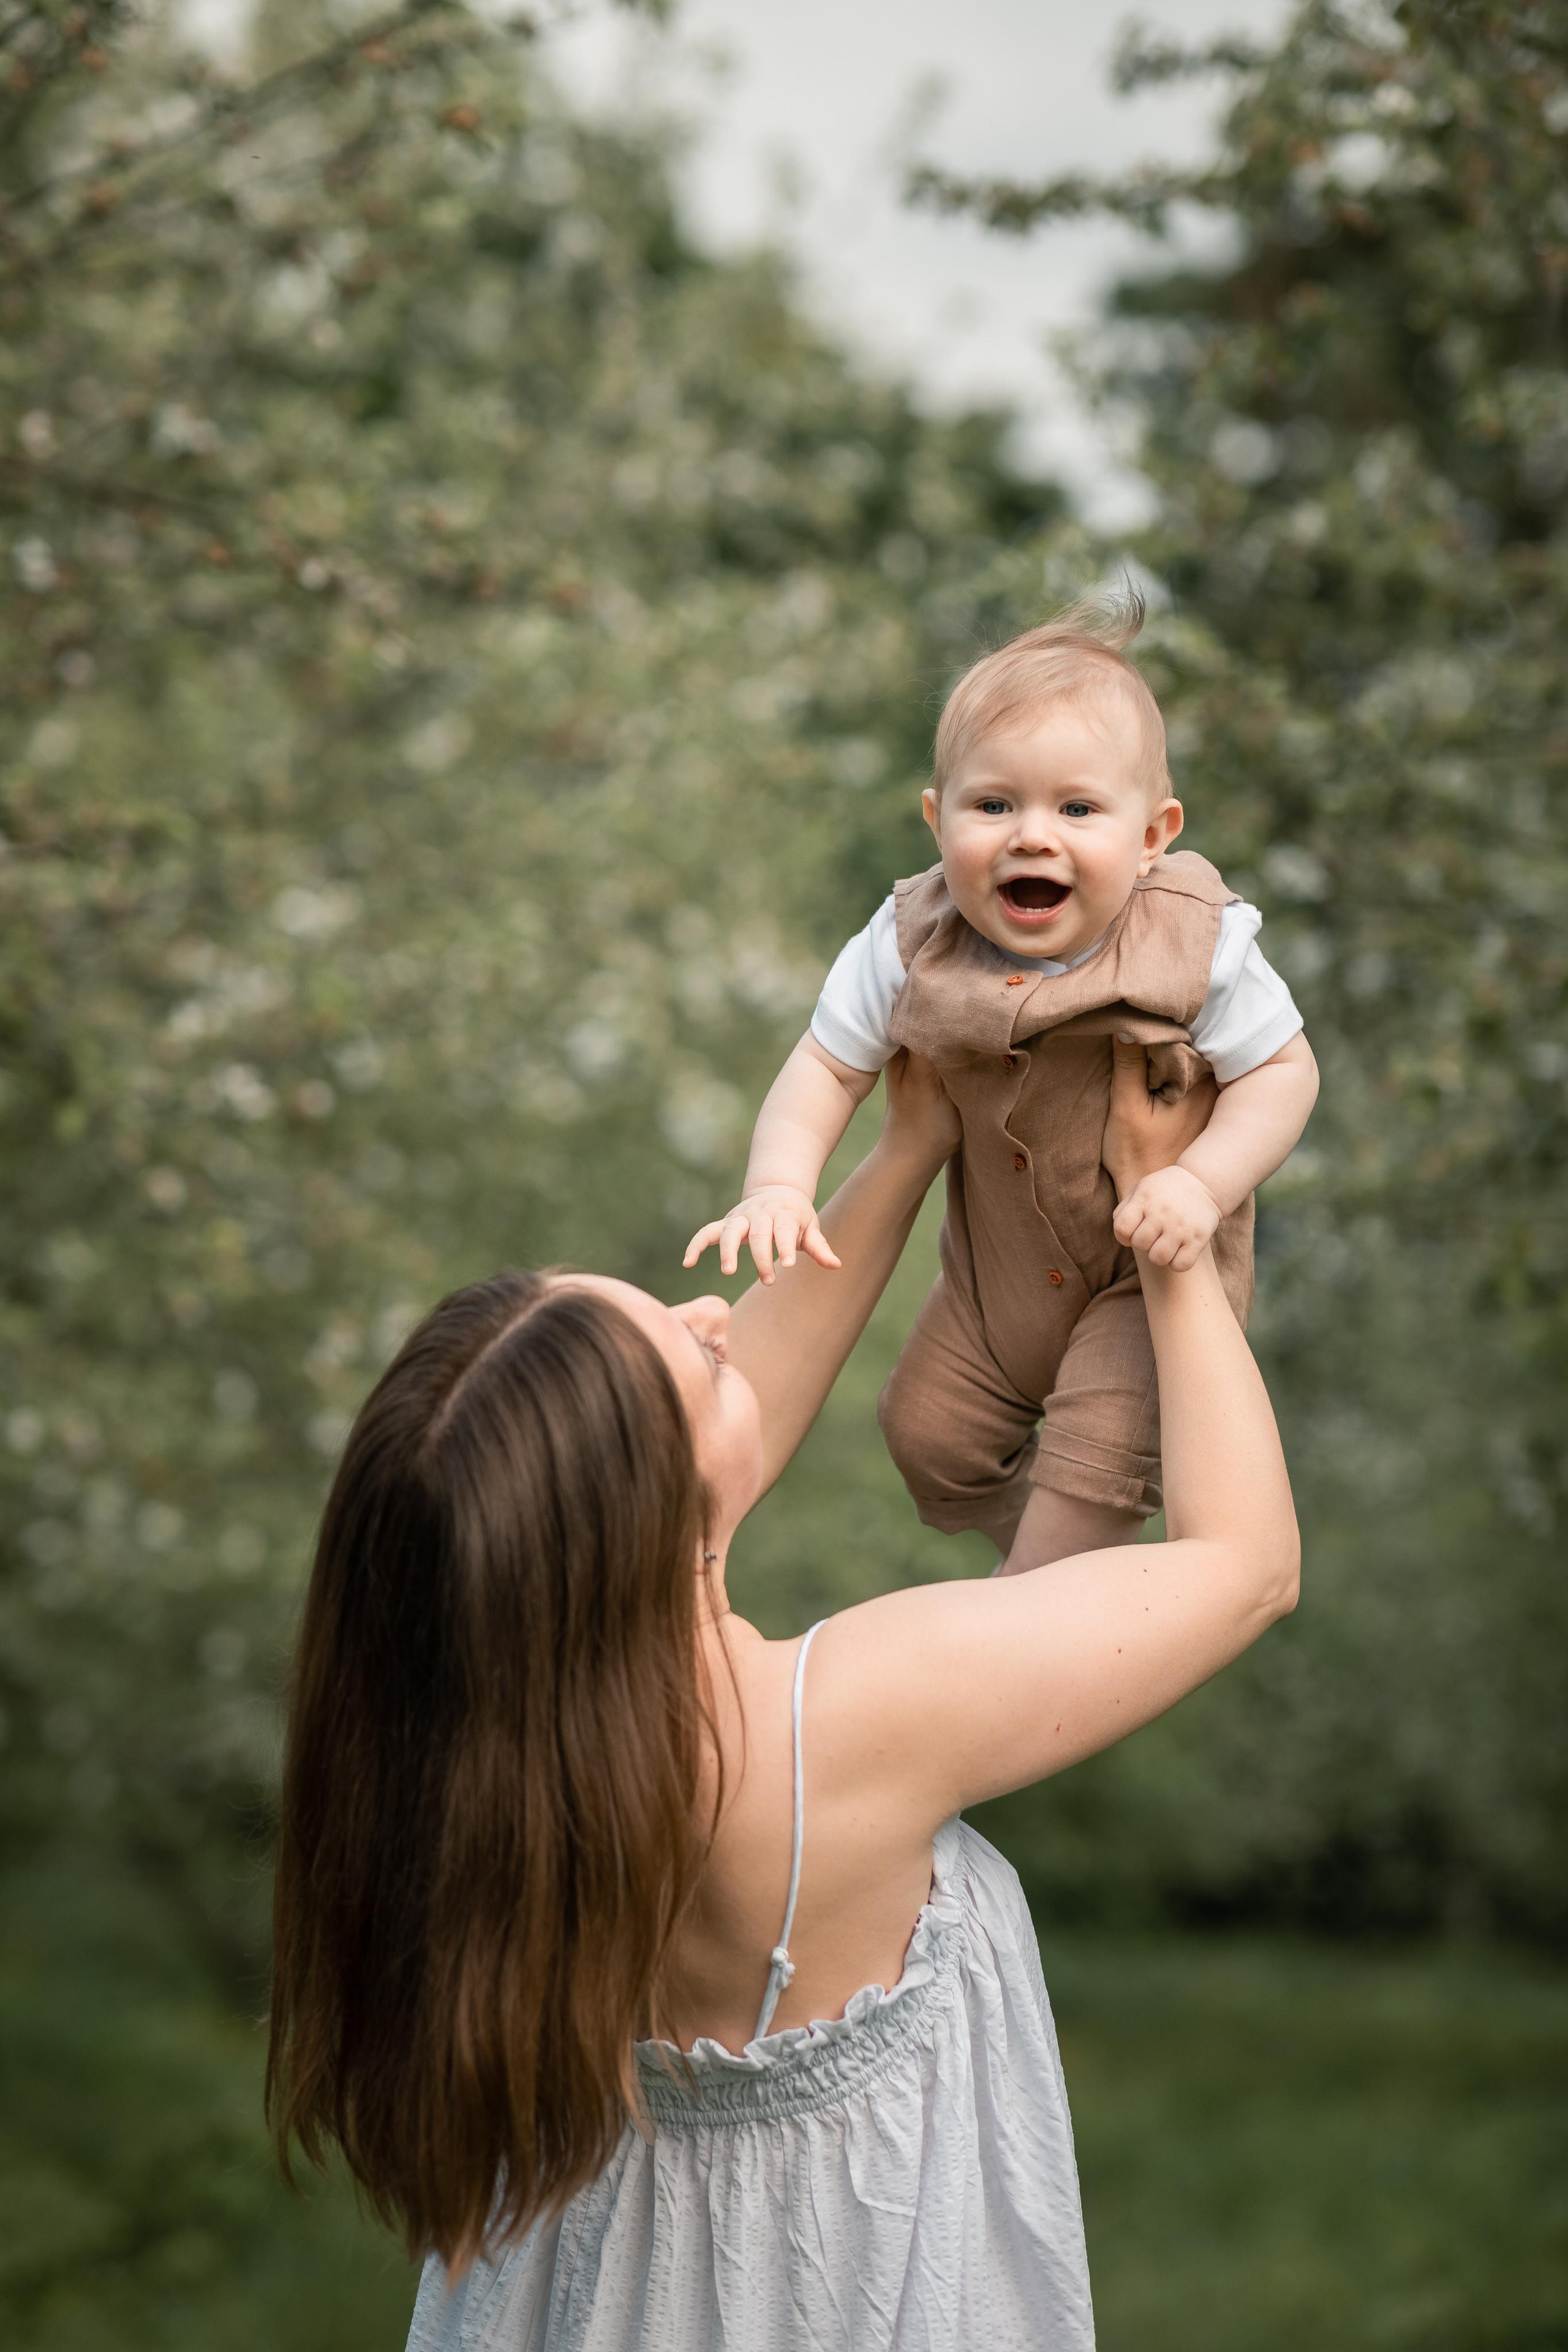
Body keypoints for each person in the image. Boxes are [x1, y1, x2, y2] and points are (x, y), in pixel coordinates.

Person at [267, 1043, 1299, 2351]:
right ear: (656, 1519)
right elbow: (1247, 1567)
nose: (716, 1316)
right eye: (694, 1356)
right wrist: (1172, 1233)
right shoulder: (849, 1725)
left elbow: (676, 1461)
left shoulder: (469, 1746)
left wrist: (910, 1144)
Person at [686, 591, 1319, 1575]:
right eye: (993, 806)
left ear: (1154, 836)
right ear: (936, 821)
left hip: (1143, 1278)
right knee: (925, 1436)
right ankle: (1046, 1555)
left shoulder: (1198, 942)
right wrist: (778, 1184)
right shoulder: (911, 939)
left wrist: (1201, 1183)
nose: (1032, 835)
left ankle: (1046, 1585)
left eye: (1078, 809)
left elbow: (1283, 1070)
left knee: (1091, 1480)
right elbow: (825, 1064)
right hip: (993, 1285)